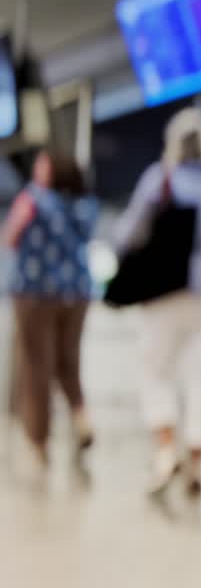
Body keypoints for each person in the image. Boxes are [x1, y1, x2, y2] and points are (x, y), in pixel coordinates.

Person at [114, 107, 201, 497]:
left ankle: (166, 450)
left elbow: (128, 234)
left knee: (155, 370)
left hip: (165, 291)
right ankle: (197, 464)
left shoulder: (161, 178)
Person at [3, 151, 98, 472]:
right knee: (68, 361)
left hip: (36, 292)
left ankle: (39, 440)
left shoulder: (33, 199)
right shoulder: (84, 204)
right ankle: (81, 417)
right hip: (78, 292)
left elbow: (11, 237)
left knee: (36, 365)